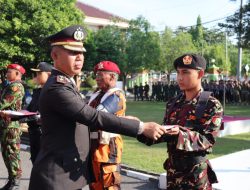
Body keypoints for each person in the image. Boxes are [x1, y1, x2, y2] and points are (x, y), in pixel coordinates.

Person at [28, 25, 167, 190]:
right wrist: (141, 127)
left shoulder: (65, 84)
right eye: (73, 52)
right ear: (55, 55)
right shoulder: (57, 87)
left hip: (65, 173)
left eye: (81, 53)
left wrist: (122, 120)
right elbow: (92, 116)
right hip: (57, 178)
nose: (79, 57)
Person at [138, 54, 223, 190]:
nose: (179, 77)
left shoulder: (211, 104)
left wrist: (180, 134)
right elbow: (164, 133)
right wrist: (140, 128)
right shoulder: (173, 103)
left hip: (195, 178)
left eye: (185, 72)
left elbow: (207, 140)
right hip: (173, 175)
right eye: (178, 72)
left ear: (200, 74)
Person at [88, 61, 125, 190]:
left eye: (100, 75)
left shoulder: (116, 95)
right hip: (94, 145)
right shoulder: (97, 94)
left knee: (108, 183)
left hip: (108, 147)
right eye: (96, 75)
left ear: (112, 77)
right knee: (95, 183)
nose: (97, 78)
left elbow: (97, 116)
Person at [0, 63, 26, 190]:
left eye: (10, 72)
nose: (6, 74)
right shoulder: (9, 85)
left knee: (12, 153)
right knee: (6, 154)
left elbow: (3, 103)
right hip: (6, 125)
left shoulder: (16, 86)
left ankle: (15, 182)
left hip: (11, 126)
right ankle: (11, 181)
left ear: (17, 73)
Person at [26, 62, 53, 164]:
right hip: (34, 132)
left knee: (44, 164)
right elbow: (30, 109)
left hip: (44, 134)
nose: (36, 76)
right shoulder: (37, 91)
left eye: (39, 73)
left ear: (49, 74)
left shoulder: (53, 91)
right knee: (35, 160)